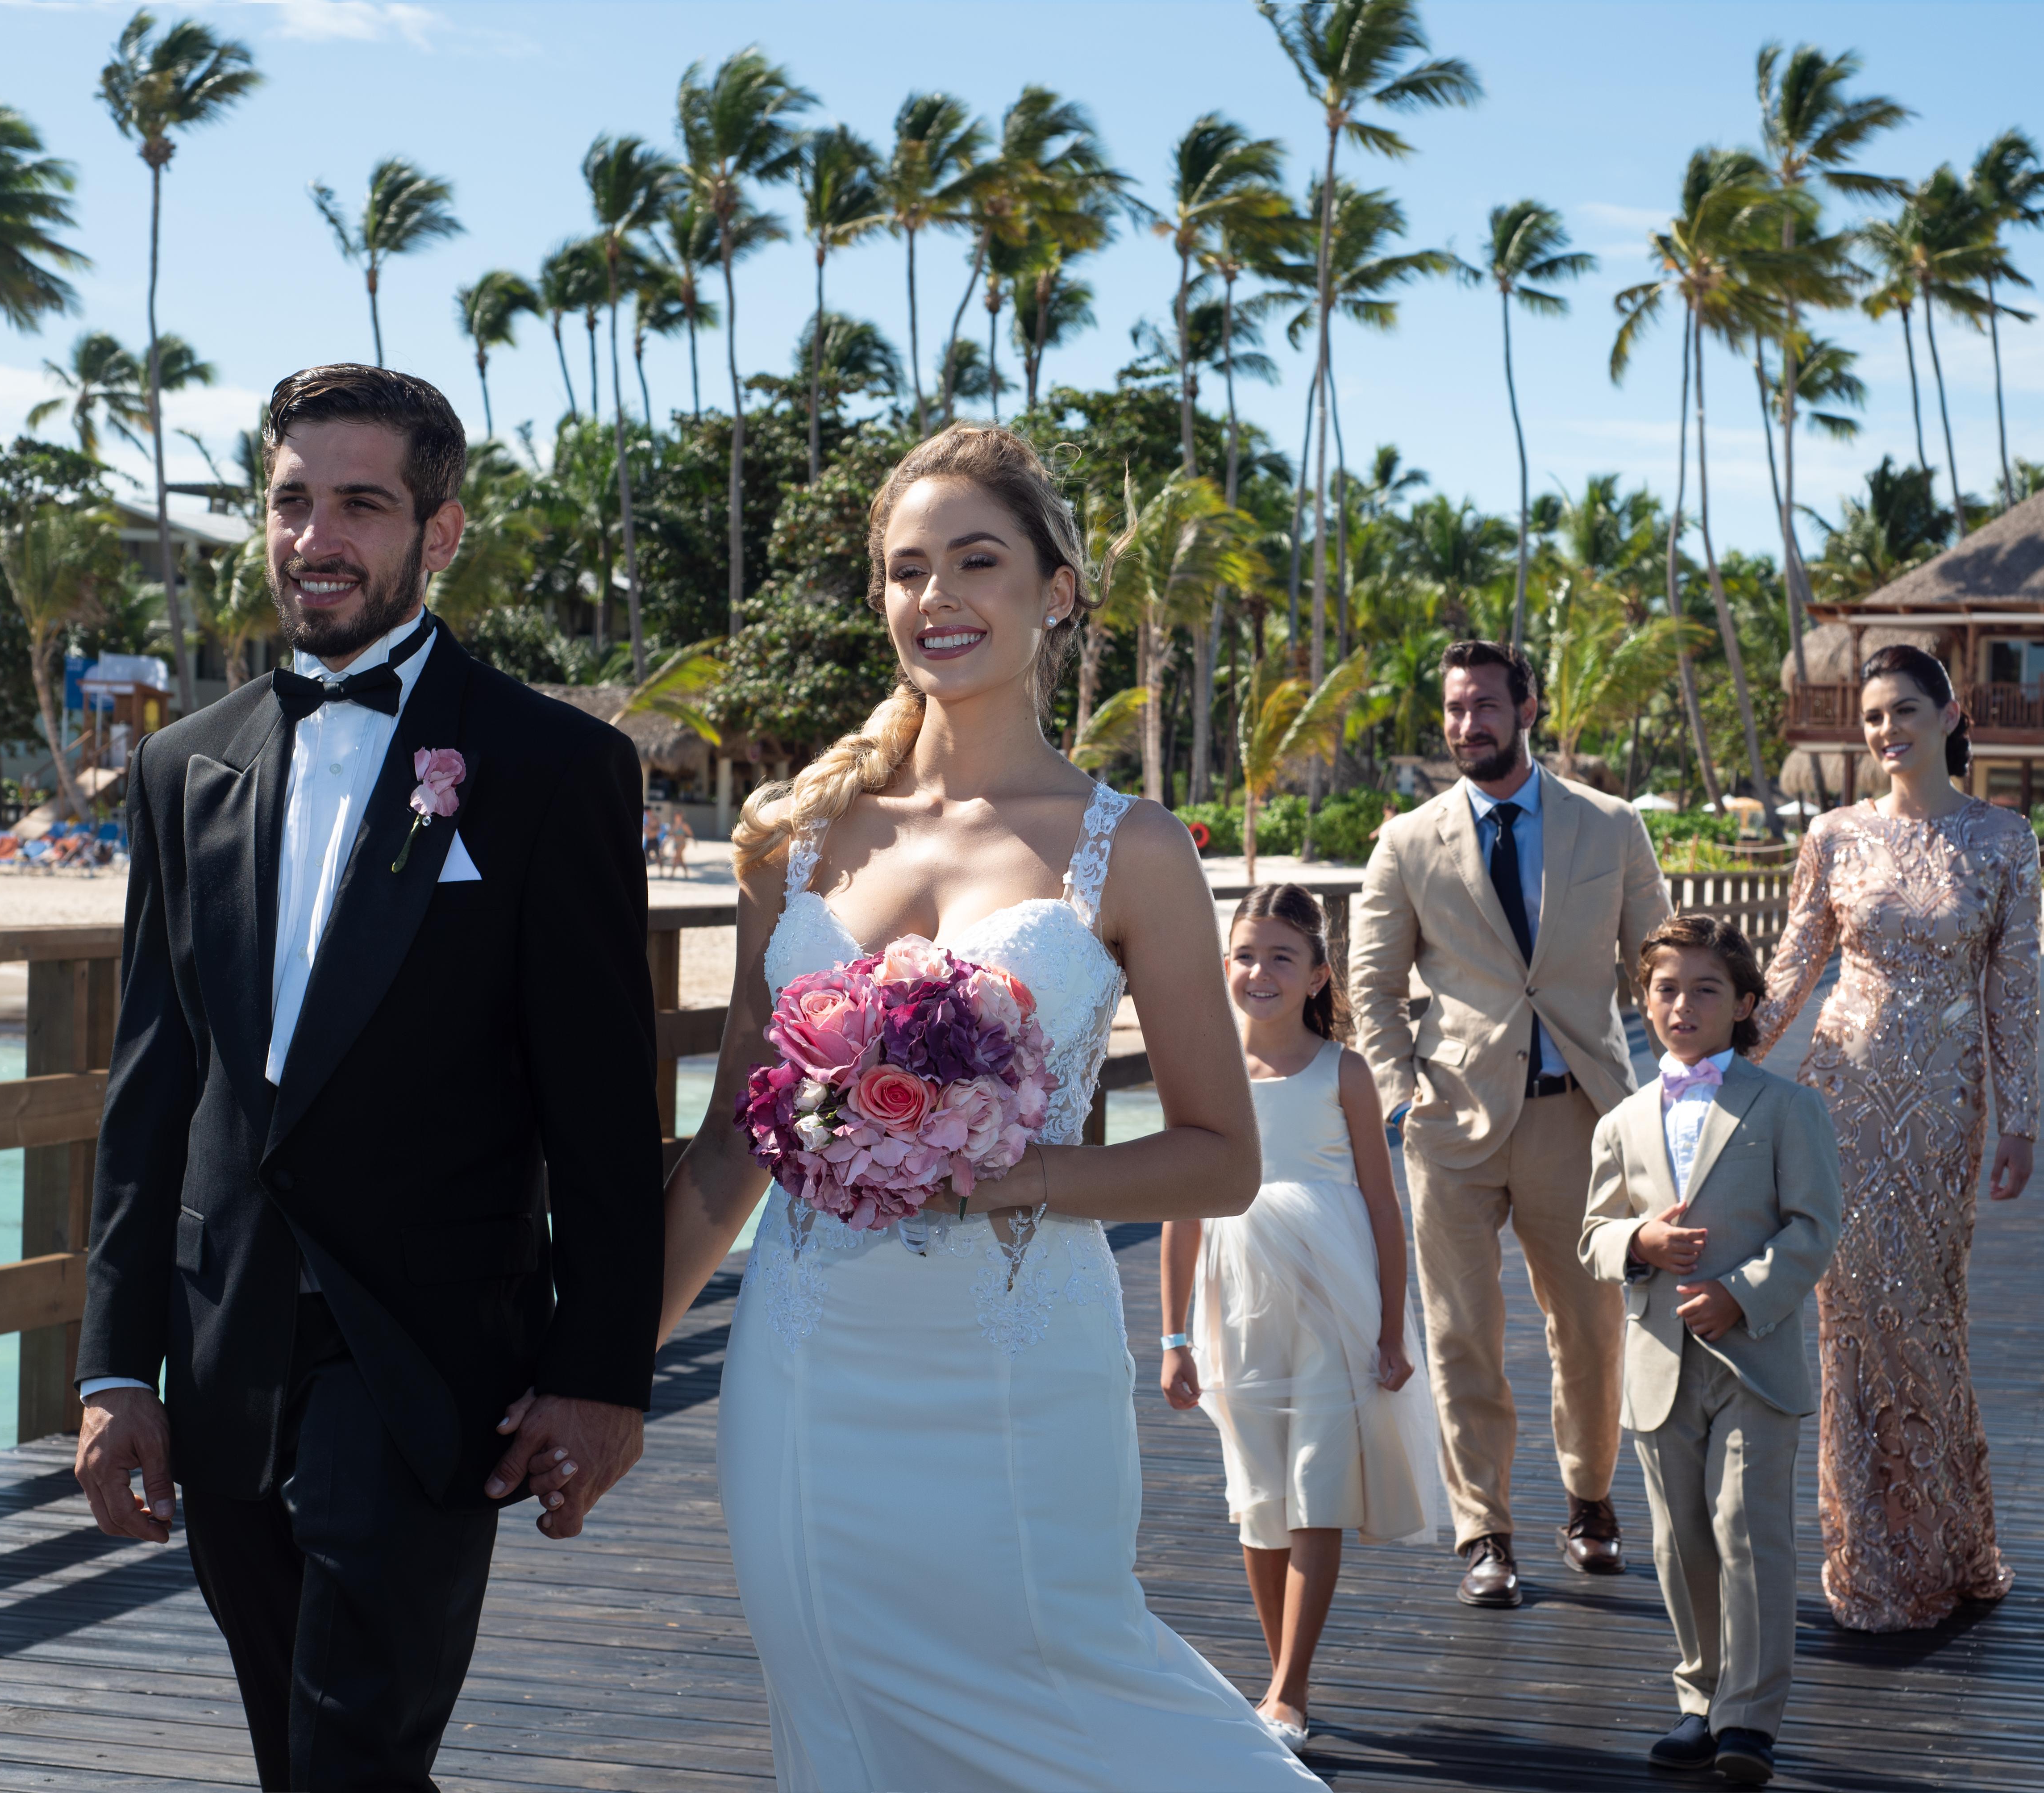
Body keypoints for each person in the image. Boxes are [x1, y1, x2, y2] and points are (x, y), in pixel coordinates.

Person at [656, 425, 1317, 1791]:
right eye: (907, 571)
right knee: (838, 1717)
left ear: (1055, 591)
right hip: (806, 1369)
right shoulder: (797, 836)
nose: (937, 599)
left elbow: (1221, 1158)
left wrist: (1012, 1176)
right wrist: (607, 1369)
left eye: (977, 562)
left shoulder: (1128, 848)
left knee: (1080, 1691)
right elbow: (735, 1141)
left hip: (1019, 1376)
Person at [72, 366, 664, 1790]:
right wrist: (113, 1364)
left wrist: (601, 1378)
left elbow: (599, 1103)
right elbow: (153, 1083)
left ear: (440, 531)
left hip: (425, 1353)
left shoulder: (554, 766)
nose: (315, 535)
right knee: (310, 1748)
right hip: (223, 1355)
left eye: (361, 503)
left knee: (352, 1742)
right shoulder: (181, 770)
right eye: (290, 500)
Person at [1348, 640, 1670, 1610]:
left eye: (1484, 704)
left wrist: (1677, 1093)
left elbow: (1654, 962)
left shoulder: (1609, 829)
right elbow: (1369, 980)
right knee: (1459, 1334)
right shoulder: (1406, 841)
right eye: (1452, 709)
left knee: (1588, 1323)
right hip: (1449, 1122)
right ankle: (1482, 1528)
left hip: (1579, 1117)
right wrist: (1401, 1090)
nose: (1465, 725)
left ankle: (1588, 1500)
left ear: (1527, 706)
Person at [1754, 643, 2039, 1633]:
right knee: (1849, 1323)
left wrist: (2021, 1118)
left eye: (1903, 710)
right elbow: (1794, 961)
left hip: (1942, 1114)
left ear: (1949, 713)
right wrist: (1717, 1050)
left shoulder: (2004, 841)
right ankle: (1870, 1558)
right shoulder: (1832, 837)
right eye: (1871, 716)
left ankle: (1951, 1542)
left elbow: (2013, 992)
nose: (1884, 731)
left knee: (1925, 1315)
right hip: (1840, 1098)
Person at [1160, 883, 1445, 1754]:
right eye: (1245, 954)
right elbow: (1182, 1208)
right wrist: (1173, 1337)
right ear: (1224, 966)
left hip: (1334, 1298)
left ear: (1319, 974)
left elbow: (1382, 1203)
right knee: (1258, 1496)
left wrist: (1393, 1330)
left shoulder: (1343, 1073)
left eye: (1282, 957)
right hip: (1237, 1300)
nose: (1260, 972)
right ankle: (1276, 1666)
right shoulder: (1205, 1073)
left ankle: (1289, 1686)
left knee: (1317, 1485)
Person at [1579, 915, 1841, 1787]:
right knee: (1679, 1535)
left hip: (1753, 1354)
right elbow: (1591, 1235)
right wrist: (1637, 1242)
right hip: (1657, 1357)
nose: (1682, 1004)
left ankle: (1748, 1717)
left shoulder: (1788, 1108)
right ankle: (1697, 1696)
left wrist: (1744, 1292)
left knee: (1746, 1529)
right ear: (1642, 1002)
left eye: (1704, 990)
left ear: (1743, 1006)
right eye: (1664, 989)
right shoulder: (1618, 1121)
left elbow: (1814, 1227)